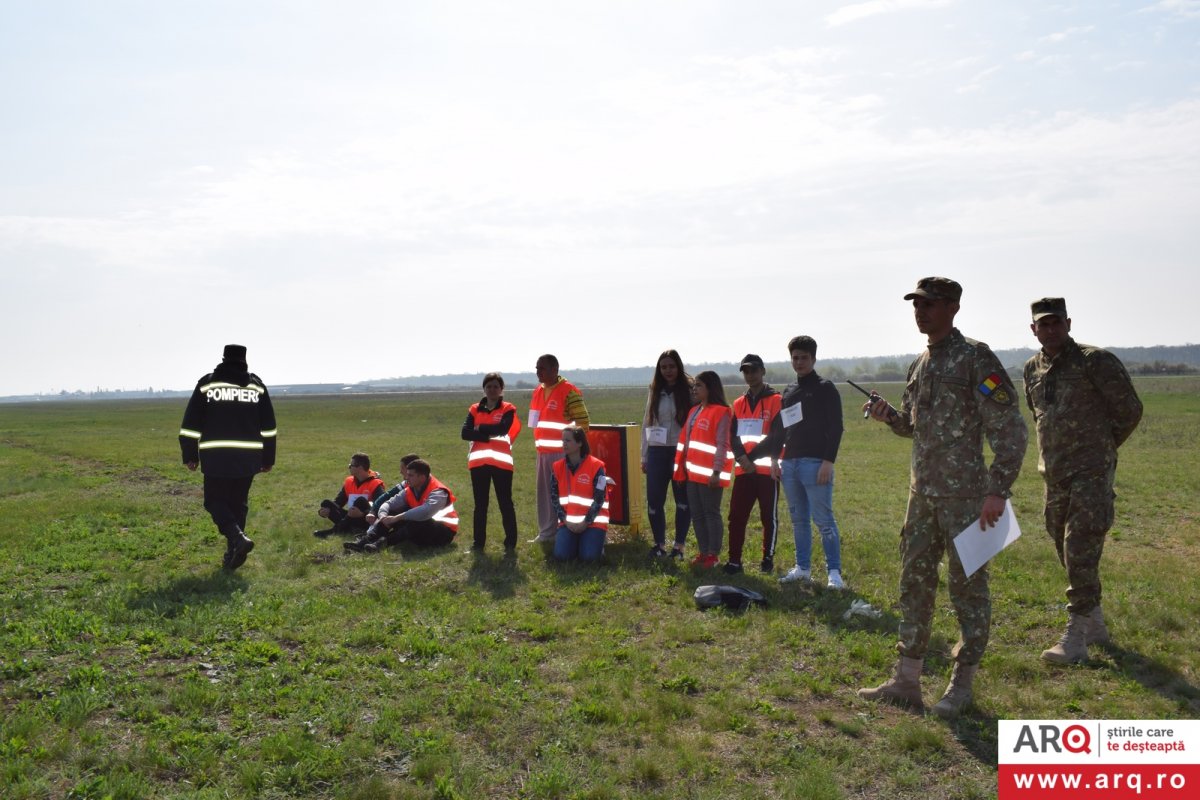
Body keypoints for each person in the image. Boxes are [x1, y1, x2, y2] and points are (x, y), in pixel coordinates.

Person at [857, 277, 1027, 719]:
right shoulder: (920, 363)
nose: (920, 311)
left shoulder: (975, 358)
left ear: (953, 307)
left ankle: (962, 684)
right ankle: (906, 679)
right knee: (914, 581)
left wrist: (998, 491)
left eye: (929, 304)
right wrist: (889, 416)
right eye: (916, 304)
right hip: (922, 496)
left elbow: (1009, 428)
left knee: (968, 588)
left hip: (968, 498)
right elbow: (913, 425)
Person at [1023, 297, 1143, 664]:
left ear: (1069, 324)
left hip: (1091, 471)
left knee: (1079, 546)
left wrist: (1101, 448)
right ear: (1033, 330)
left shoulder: (1096, 361)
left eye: (1056, 322)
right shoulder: (1032, 369)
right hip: (1054, 474)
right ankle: (1095, 624)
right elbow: (1039, 415)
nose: (1051, 329)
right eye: (1044, 324)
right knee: (1064, 546)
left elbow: (1130, 410)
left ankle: (1075, 638)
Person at [748, 338, 845, 588]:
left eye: (804, 357)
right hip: (789, 465)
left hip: (816, 464)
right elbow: (780, 431)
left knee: (824, 521)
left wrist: (828, 461)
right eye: (795, 358)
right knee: (799, 520)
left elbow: (836, 427)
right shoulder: (789, 391)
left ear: (813, 358)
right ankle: (802, 568)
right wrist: (772, 459)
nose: (799, 362)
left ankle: (834, 573)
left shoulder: (825, 388)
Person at [178, 344, 277, 570]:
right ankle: (233, 553)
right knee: (238, 504)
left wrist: (190, 454)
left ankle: (237, 539)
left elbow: (191, 423)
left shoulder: (208, 384)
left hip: (217, 456)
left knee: (214, 501)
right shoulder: (256, 386)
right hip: (248, 458)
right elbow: (269, 427)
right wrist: (267, 459)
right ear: (244, 361)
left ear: (223, 358)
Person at [725, 354, 782, 575]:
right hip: (744, 470)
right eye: (746, 371)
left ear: (763, 371)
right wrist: (742, 459)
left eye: (754, 370)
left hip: (768, 470)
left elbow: (777, 435)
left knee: (769, 517)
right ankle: (734, 561)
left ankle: (767, 559)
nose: (750, 375)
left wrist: (752, 459)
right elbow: (733, 436)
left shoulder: (777, 400)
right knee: (736, 516)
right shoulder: (738, 403)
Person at [672, 370, 732, 568]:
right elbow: (687, 442)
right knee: (697, 515)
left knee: (711, 513)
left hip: (710, 476)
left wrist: (716, 472)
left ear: (710, 388)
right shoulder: (694, 410)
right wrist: (682, 470)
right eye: (694, 385)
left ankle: (713, 555)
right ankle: (703, 552)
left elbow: (723, 445)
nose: (694, 389)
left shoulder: (722, 412)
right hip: (692, 474)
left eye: (699, 385)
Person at [529, 354, 590, 543]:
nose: (538, 372)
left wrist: (573, 450)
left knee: (565, 494)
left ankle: (568, 532)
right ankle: (546, 533)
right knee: (545, 494)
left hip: (562, 454)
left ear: (555, 369)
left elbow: (583, 423)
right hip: (542, 453)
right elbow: (534, 421)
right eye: (537, 368)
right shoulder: (537, 391)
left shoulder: (569, 391)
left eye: (542, 368)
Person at [641, 349, 694, 559]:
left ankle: (679, 546)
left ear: (678, 367)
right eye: (663, 367)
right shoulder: (654, 389)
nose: (668, 371)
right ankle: (659, 545)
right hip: (657, 451)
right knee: (654, 501)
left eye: (672, 366)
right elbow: (647, 421)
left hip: (681, 452)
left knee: (682, 501)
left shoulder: (690, 390)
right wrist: (644, 455)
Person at [461, 373, 522, 552]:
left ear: (501, 389)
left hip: (502, 464)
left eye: (496, 386)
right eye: (489, 386)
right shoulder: (474, 409)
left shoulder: (508, 408)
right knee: (480, 505)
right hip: (478, 464)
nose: (492, 390)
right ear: (484, 389)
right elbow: (465, 433)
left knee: (505, 503)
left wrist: (479, 428)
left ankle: (510, 543)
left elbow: (503, 429)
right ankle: (478, 543)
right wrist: (488, 436)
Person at [345, 459, 458, 552]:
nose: (406, 478)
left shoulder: (438, 491)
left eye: (410, 475)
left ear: (422, 477)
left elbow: (426, 512)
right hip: (421, 530)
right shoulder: (411, 488)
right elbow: (389, 503)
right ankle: (364, 541)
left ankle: (381, 544)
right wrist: (383, 516)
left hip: (443, 533)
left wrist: (397, 518)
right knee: (392, 512)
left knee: (417, 519)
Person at [551, 426, 611, 562]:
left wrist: (585, 522)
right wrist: (565, 520)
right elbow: (554, 498)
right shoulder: (557, 467)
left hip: (593, 522)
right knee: (561, 556)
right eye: (562, 440)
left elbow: (599, 498)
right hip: (568, 523)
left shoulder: (597, 466)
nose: (564, 444)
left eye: (568, 440)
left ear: (579, 443)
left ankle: (597, 545)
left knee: (589, 558)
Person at [313, 453, 386, 538]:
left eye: (351, 465)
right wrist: (324, 511)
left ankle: (335, 531)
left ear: (360, 468)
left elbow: (381, 506)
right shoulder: (349, 482)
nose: (349, 467)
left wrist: (363, 514)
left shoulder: (376, 484)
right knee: (326, 503)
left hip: (365, 519)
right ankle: (349, 529)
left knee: (361, 500)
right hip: (350, 516)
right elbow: (338, 502)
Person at [368, 453, 421, 517]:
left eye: (402, 468)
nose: (400, 471)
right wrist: (373, 511)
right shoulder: (405, 484)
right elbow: (387, 496)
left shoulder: (428, 487)